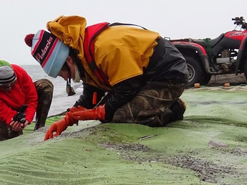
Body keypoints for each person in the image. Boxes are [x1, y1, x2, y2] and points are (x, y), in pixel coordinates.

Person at [24, 15, 189, 140]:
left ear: (68, 60)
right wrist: (68, 119)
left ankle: (174, 108)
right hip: (142, 78)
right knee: (108, 114)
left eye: (62, 73)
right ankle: (158, 104)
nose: (63, 78)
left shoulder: (103, 49)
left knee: (119, 116)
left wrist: (100, 112)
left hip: (167, 74)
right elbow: (91, 94)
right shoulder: (82, 55)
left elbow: (128, 87)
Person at [0, 59, 53, 141]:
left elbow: (32, 99)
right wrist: (14, 121)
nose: (9, 88)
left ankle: (39, 127)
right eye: (5, 86)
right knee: (12, 135)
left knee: (46, 86)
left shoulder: (19, 72)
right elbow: (0, 109)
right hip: (2, 110)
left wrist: (27, 118)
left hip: (21, 103)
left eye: (12, 84)